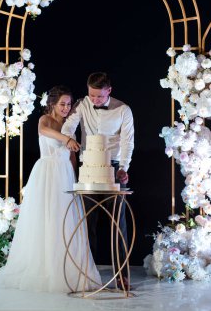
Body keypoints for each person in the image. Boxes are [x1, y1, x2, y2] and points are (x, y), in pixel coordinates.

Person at [0, 85, 102, 292]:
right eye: (62, 104)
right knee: (45, 218)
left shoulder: (70, 124)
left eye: (69, 104)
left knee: (65, 219)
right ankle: (43, 267)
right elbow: (45, 131)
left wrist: (76, 177)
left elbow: (71, 154)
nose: (66, 108)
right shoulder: (45, 121)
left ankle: (67, 266)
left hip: (65, 174)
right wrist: (66, 138)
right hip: (46, 173)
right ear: (52, 103)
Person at [61, 72, 134, 289]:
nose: (95, 100)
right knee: (87, 224)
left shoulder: (123, 110)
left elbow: (128, 141)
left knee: (118, 224)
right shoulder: (83, 105)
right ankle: (88, 274)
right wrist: (69, 140)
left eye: (99, 97)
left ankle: (122, 274)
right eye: (92, 96)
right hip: (89, 168)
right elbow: (68, 127)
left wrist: (123, 168)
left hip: (113, 167)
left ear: (109, 91)